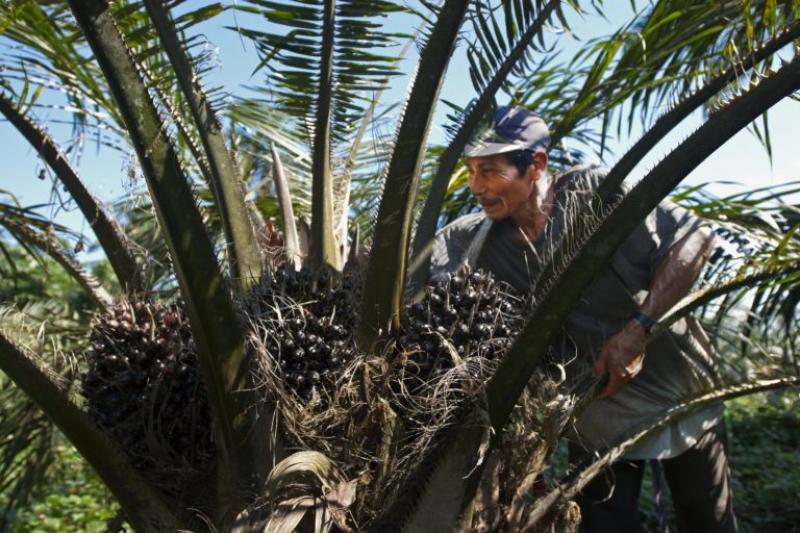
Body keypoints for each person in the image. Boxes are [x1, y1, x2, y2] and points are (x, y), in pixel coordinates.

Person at [429, 106, 737, 532]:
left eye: (490, 171)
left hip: (680, 397)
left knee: (707, 519)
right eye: (471, 172)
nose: (476, 186)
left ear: (536, 165)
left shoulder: (595, 192)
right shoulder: (478, 241)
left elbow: (693, 240)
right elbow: (421, 276)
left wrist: (639, 329)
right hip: (596, 413)